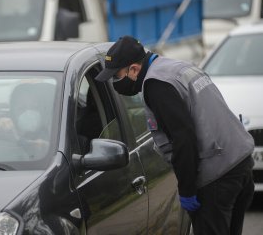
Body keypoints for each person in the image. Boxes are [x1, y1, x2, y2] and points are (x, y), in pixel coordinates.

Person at [95, 35, 255, 235]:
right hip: (240, 163)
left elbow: (184, 138)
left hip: (218, 177)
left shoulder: (157, 85)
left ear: (134, 69)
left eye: (116, 76)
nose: (115, 82)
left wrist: (187, 190)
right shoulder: (176, 68)